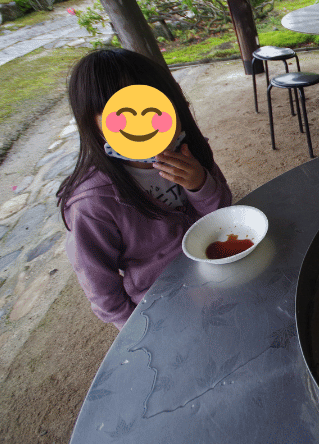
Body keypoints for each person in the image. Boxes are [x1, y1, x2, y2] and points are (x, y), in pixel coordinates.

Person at [57, 49, 232, 329]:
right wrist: (139, 332)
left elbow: (224, 216)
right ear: (91, 120)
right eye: (124, 114)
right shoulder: (92, 203)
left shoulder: (190, 150)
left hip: (219, 267)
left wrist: (201, 185)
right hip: (165, 305)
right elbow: (102, 290)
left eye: (154, 107)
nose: (144, 123)